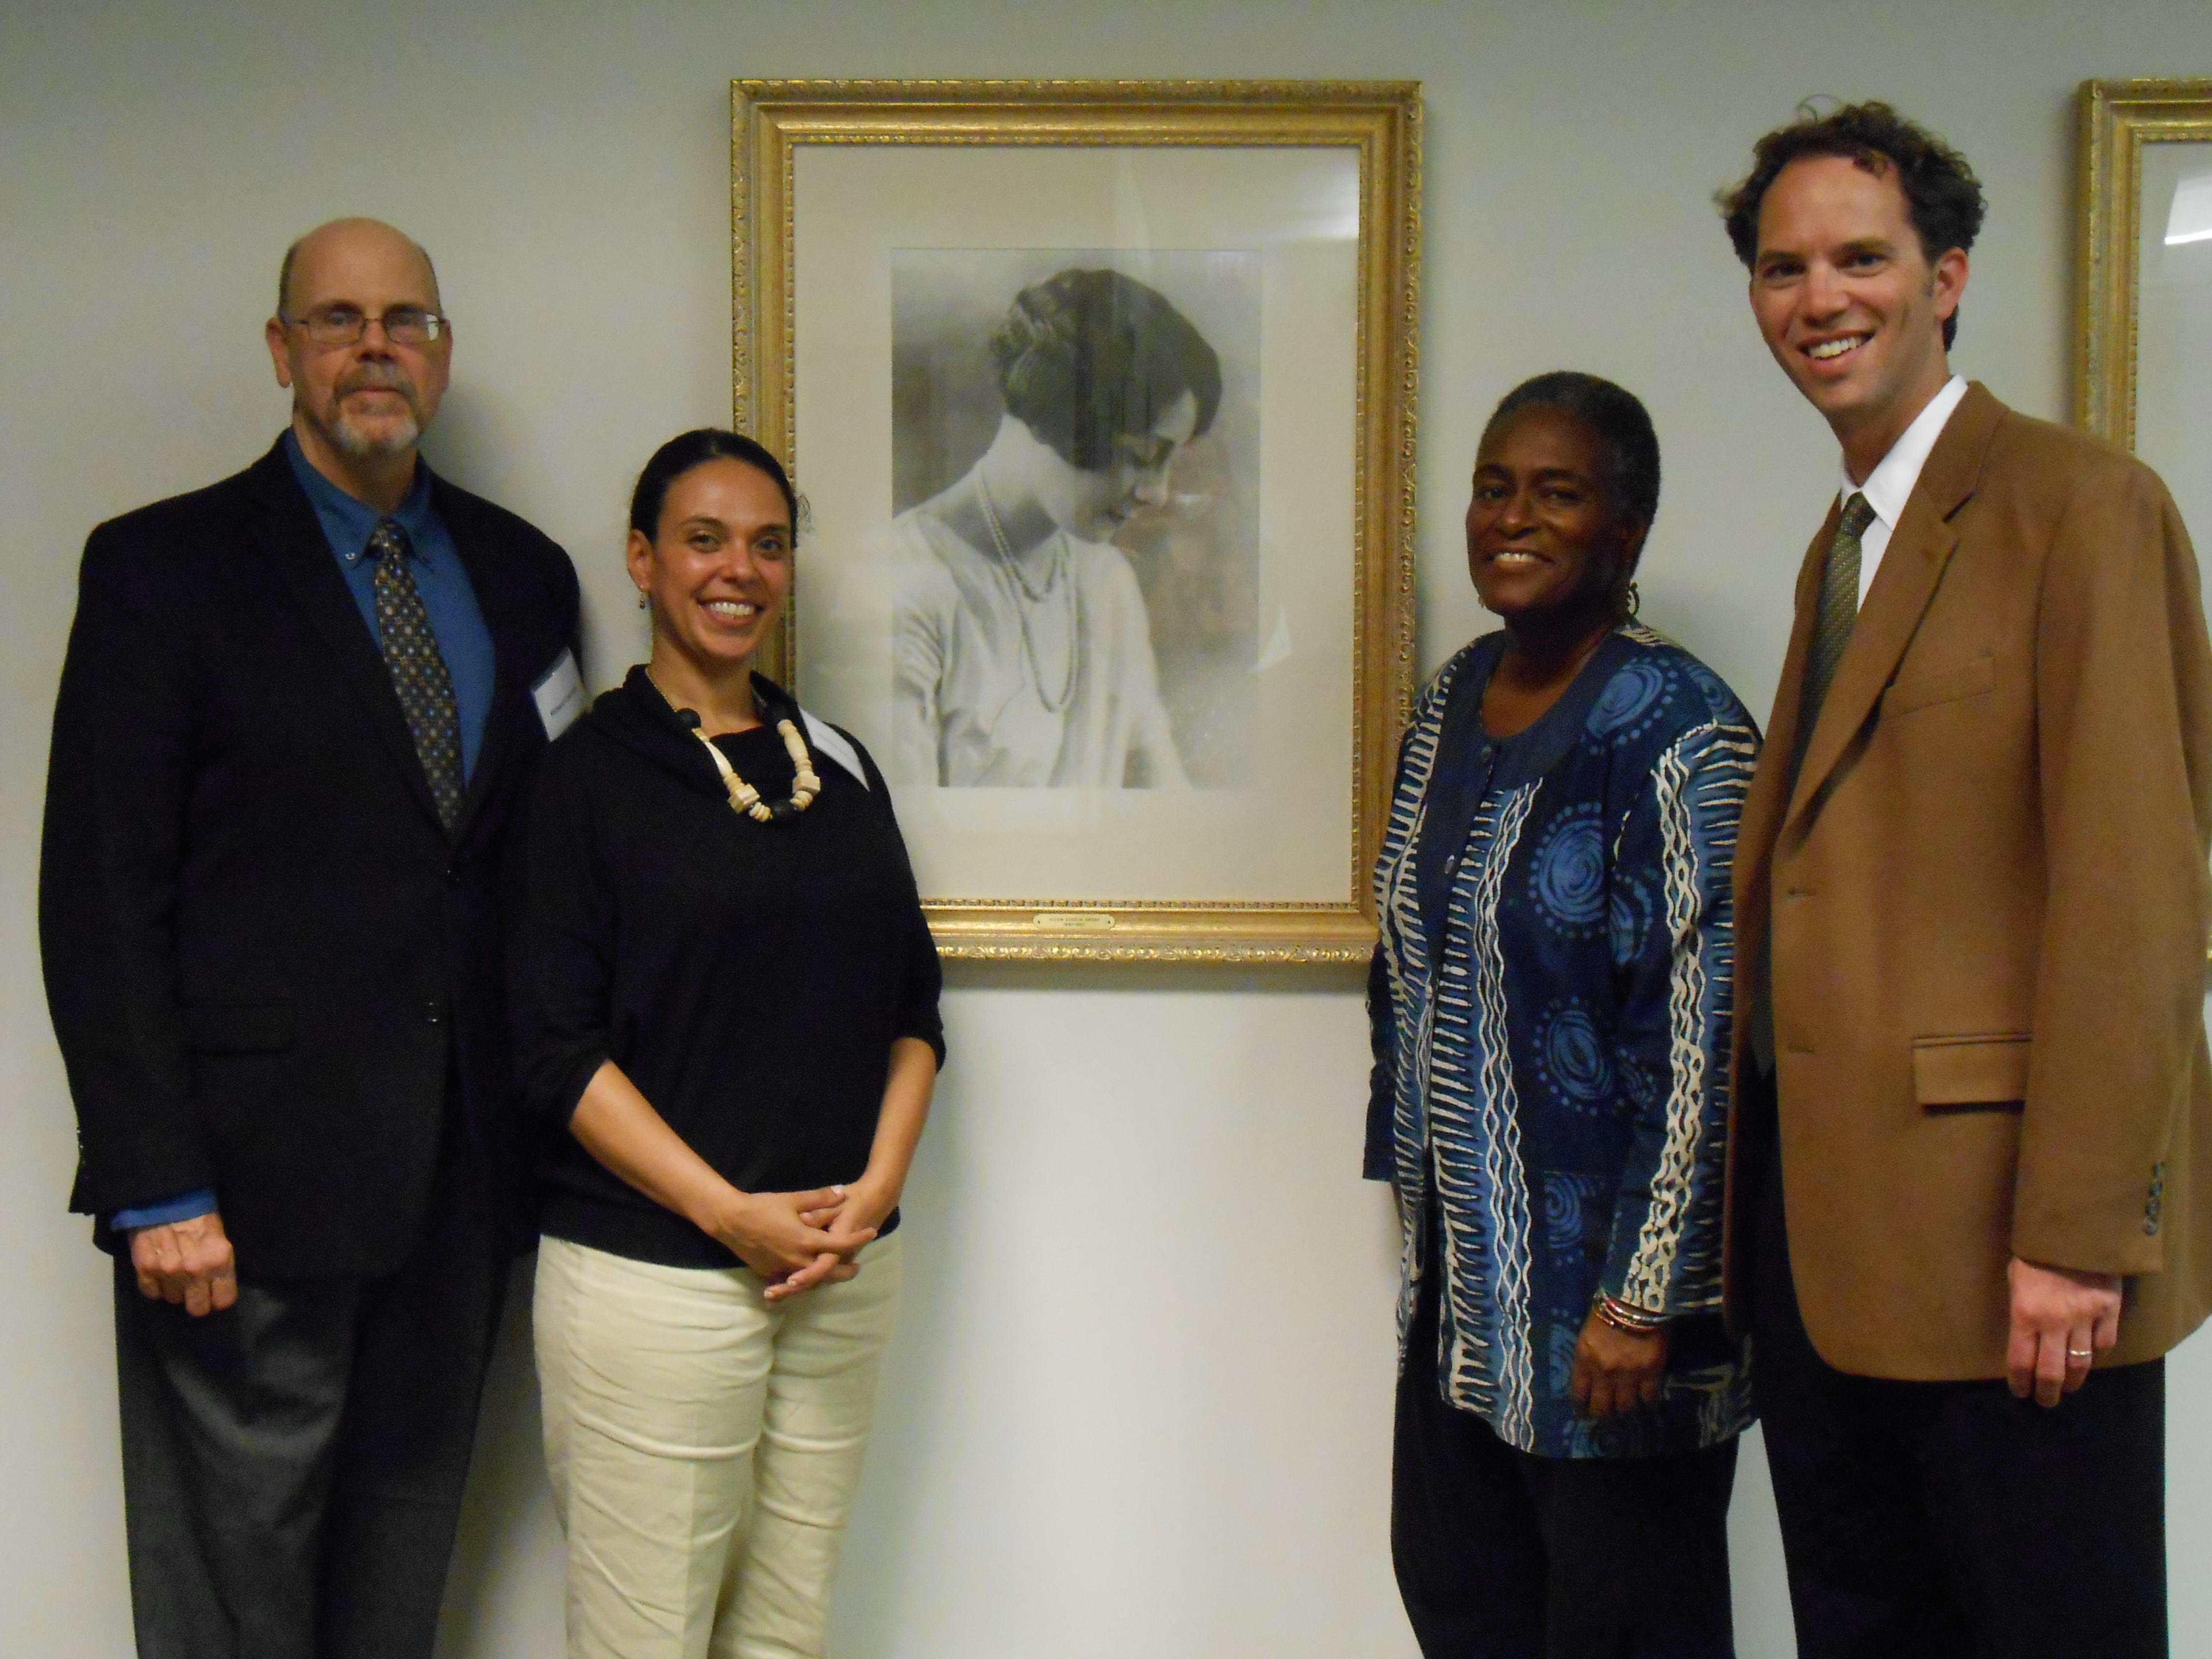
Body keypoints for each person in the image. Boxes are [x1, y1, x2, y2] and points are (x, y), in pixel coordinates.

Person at [38, 217, 581, 1658]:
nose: (376, 347)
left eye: (408, 320)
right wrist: (157, 1181)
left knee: (397, 1587)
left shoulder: (525, 575)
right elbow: (100, 893)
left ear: (444, 353)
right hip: (241, 1194)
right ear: (282, 350)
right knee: (232, 1598)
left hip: (460, 1187)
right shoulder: (163, 569)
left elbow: (536, 872)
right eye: (340, 319)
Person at [1718, 101, 2212, 1658]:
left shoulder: (2080, 507)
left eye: (1859, 259)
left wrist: (2077, 1232)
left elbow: (2135, 898)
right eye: (1783, 268)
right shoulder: (1844, 543)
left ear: (1946, 277)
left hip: (2015, 1267)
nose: (1820, 299)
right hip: (1828, 1261)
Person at [518, 429, 943, 1659]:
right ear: (642, 559)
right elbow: (555, 1051)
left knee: (787, 1635)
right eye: (704, 540)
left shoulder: (839, 765)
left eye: (768, 544)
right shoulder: (584, 780)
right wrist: (729, 1214)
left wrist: (878, 1190)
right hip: (655, 1280)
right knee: (644, 1639)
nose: (738, 570)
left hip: (840, 1272)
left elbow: (914, 1011)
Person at [1367, 372, 1756, 1658]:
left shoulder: (1684, 730)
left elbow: (1707, 1039)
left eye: (1557, 492)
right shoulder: (1449, 702)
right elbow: (1407, 976)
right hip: (1462, 1312)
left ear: (1628, 528)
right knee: (1462, 1607)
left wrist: (1644, 1300)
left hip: (1616, 1335)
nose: (1513, 517)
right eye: (1493, 487)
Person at [890, 266, 1217, 787]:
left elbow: (1162, 790)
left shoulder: (1107, 582)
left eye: (1168, 461)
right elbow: (893, 823)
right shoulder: (902, 583)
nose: (1156, 493)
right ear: (1061, 414)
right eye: (1142, 455)